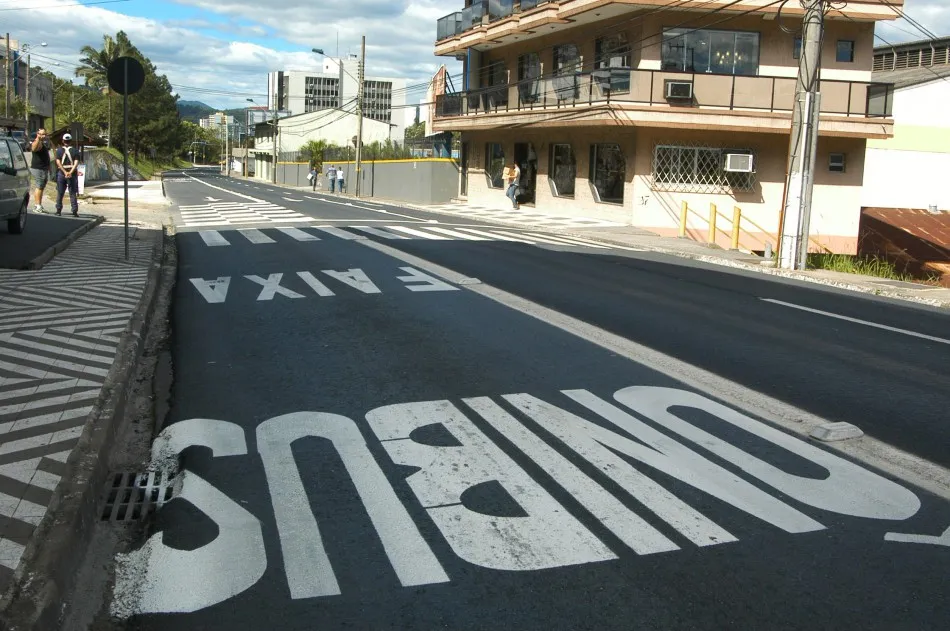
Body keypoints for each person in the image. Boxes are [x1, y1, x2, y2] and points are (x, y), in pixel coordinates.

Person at [55, 133, 80, 217]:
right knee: (72, 193)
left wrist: (64, 172)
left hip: (61, 173)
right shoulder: (75, 150)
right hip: (72, 174)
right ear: (71, 141)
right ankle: (74, 211)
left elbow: (58, 162)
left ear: (63, 141)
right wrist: (70, 172)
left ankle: (58, 210)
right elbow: (76, 163)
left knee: (60, 192)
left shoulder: (59, 150)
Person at [29, 128, 51, 213]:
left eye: (44, 134)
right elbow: (34, 148)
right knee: (39, 186)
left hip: (43, 168)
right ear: (38, 134)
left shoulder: (43, 143)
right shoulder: (37, 142)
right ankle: (37, 206)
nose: (43, 136)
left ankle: (39, 205)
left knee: (41, 187)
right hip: (38, 168)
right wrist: (38, 138)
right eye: (41, 134)